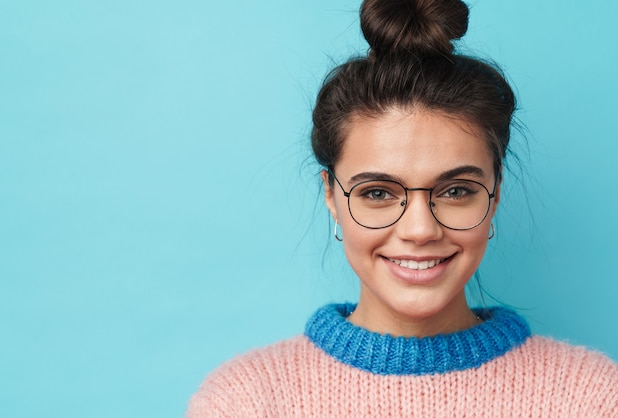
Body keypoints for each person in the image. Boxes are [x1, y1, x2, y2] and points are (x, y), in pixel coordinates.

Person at [186, 0, 618, 416]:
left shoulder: (593, 399)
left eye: (455, 191)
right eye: (377, 193)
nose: (419, 230)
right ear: (332, 197)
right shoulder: (244, 403)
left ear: (496, 192)